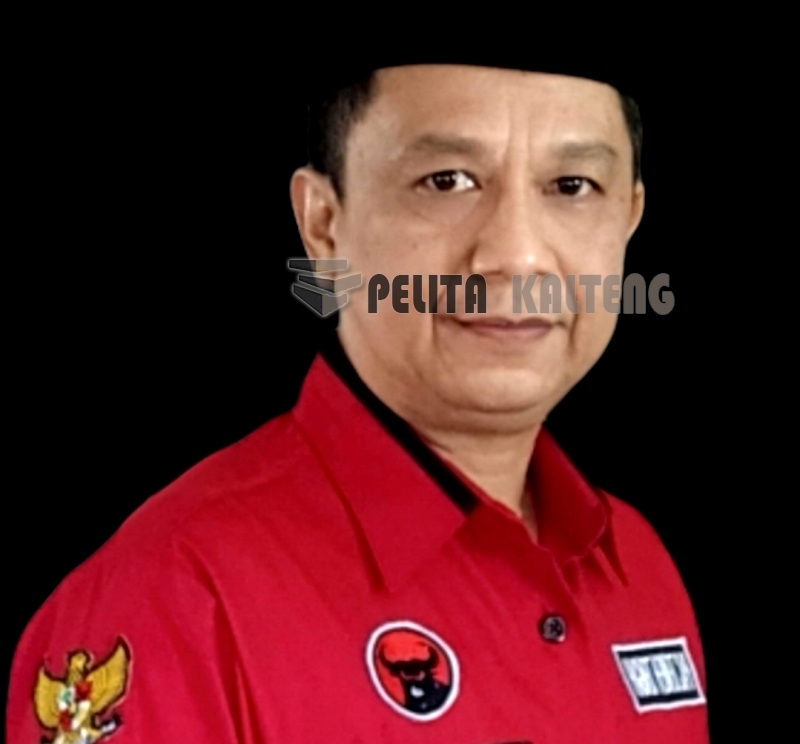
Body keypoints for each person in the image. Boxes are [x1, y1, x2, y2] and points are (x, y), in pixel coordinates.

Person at [7, 59, 709, 743]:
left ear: (629, 218)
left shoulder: (640, 571)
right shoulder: (175, 600)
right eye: (447, 181)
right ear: (323, 225)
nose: (518, 255)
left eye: (572, 186)